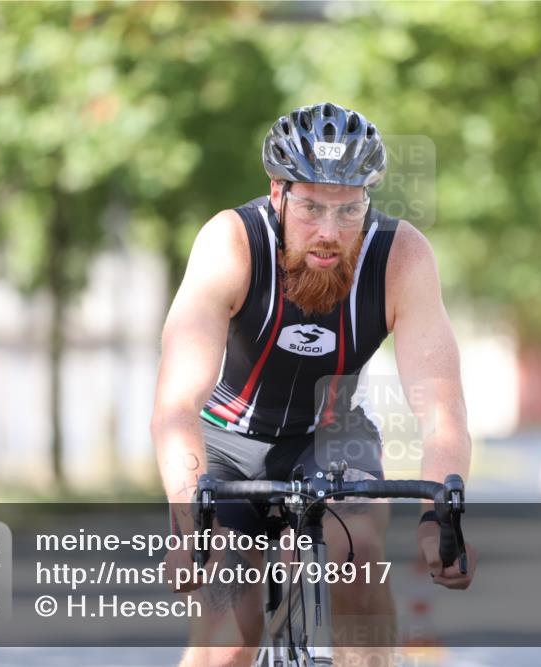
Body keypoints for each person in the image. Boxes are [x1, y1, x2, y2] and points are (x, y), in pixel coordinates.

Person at [150, 102, 476, 667]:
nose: (329, 232)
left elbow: (442, 414)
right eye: (310, 208)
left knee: (358, 557)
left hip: (334, 435)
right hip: (226, 443)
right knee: (228, 637)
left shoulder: (400, 257)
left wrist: (438, 520)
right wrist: (187, 522)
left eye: (349, 209)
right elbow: (176, 406)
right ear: (277, 194)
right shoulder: (231, 244)